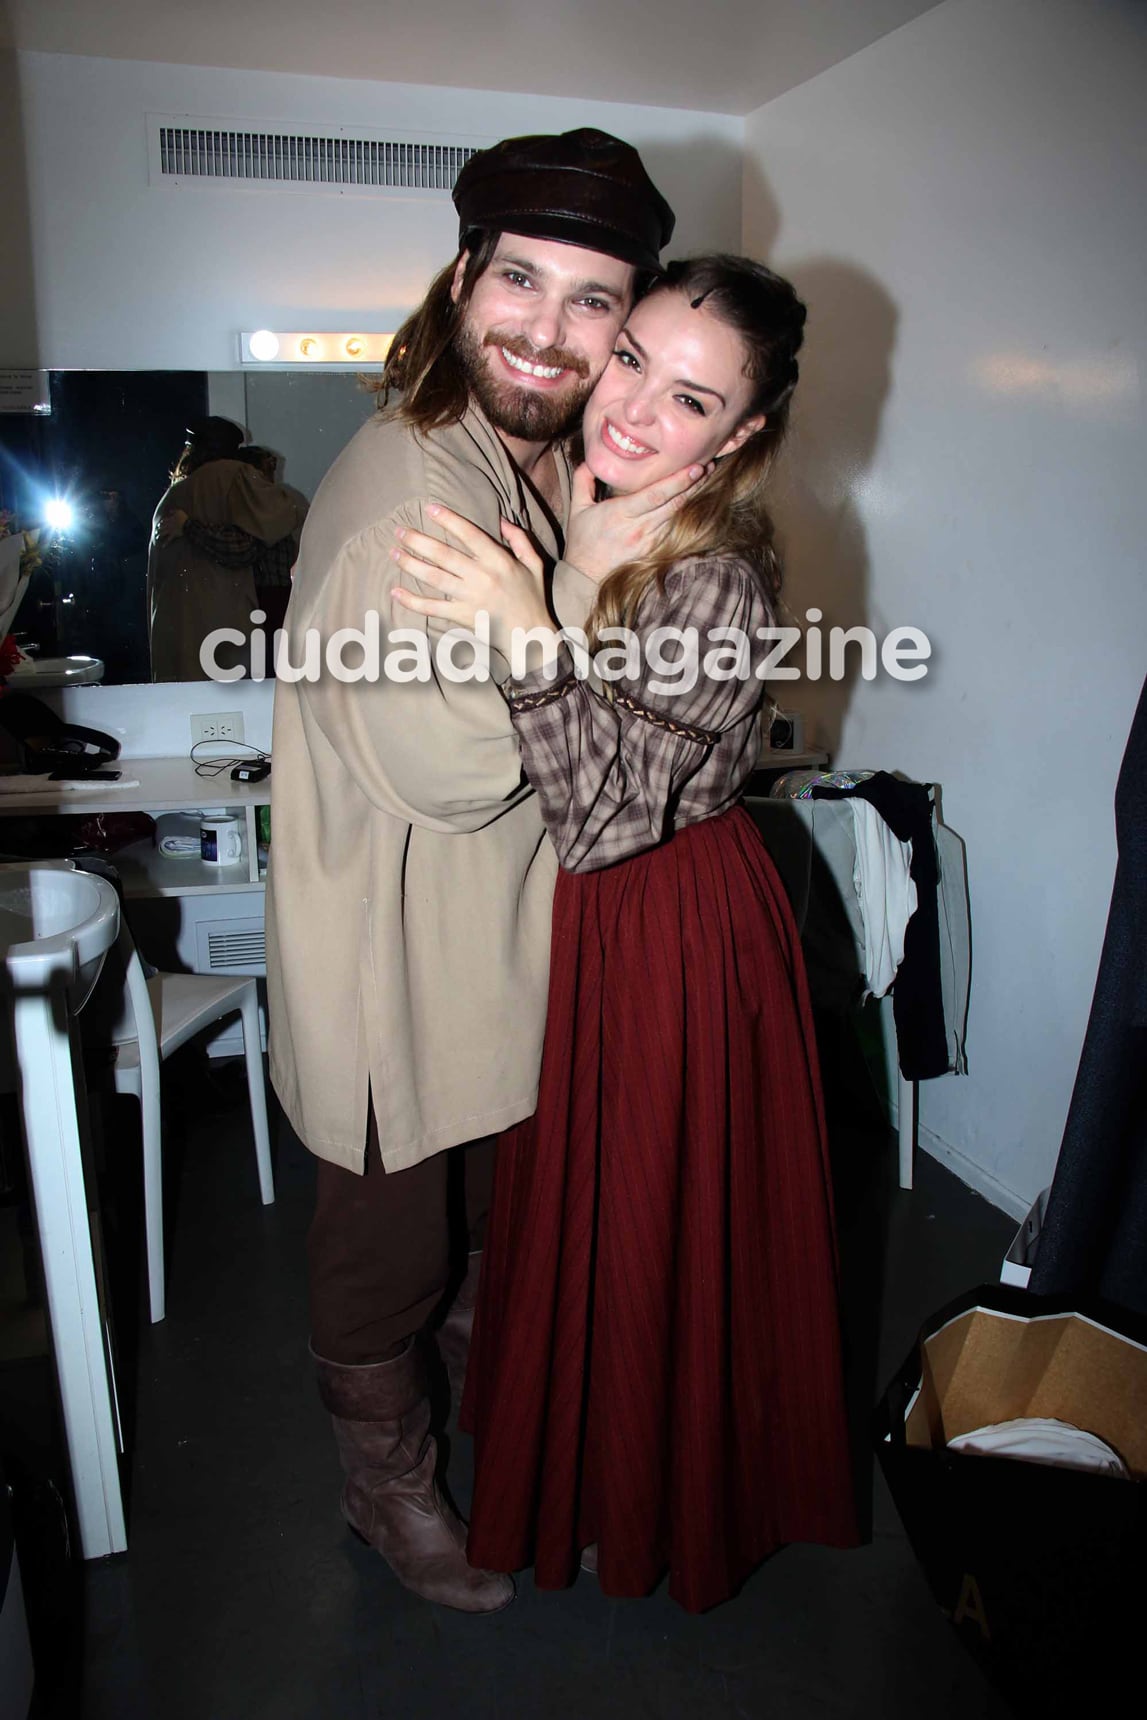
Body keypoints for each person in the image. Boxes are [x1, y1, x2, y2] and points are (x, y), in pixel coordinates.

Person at [264, 129, 704, 1616]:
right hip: (396, 960)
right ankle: (387, 1491)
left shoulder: (517, 462)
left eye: (594, 302)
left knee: (494, 1240)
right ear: (461, 280)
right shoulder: (415, 494)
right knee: (384, 1257)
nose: (546, 327)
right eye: (519, 278)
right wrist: (572, 596)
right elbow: (448, 772)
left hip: (500, 955)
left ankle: (503, 1463)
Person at [390, 255, 857, 1613]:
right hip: (598, 925)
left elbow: (601, 816)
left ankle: (659, 1504)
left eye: (693, 397)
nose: (636, 408)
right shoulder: (583, 505)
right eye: (634, 356)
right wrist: (562, 577)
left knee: (654, 1219)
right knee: (585, 1210)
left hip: (671, 929)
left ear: (741, 436)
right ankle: (589, 1474)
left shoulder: (715, 579)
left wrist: (524, 624)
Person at [147, 417, 306, 680]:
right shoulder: (230, 476)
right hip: (219, 639)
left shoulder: (175, 494)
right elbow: (289, 512)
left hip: (176, 639)